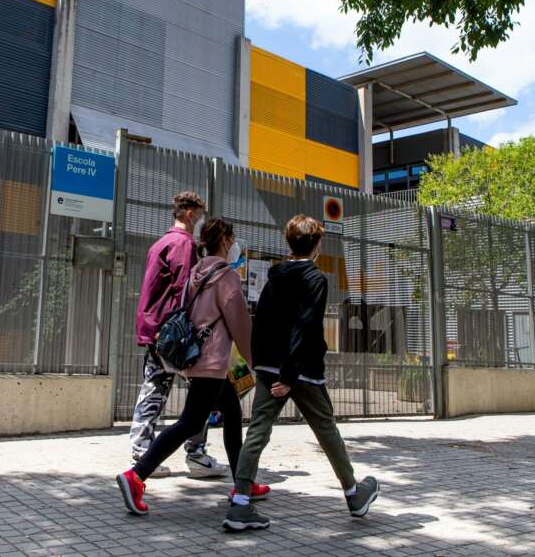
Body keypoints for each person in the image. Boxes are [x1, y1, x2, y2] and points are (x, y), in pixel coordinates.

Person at [222, 214, 380, 532]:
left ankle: (240, 504)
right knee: (326, 429)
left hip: (269, 366)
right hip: (301, 370)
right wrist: (289, 376)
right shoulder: (315, 278)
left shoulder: (275, 275)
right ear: (317, 245)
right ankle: (353, 494)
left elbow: (261, 318)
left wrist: (263, 364)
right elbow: (305, 326)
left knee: (257, 431)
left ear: (288, 242)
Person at [117, 217, 269, 515]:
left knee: (233, 412)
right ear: (225, 240)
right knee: (189, 422)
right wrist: (258, 363)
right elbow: (240, 324)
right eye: (233, 237)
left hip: (198, 359)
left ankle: (244, 482)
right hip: (213, 363)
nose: (235, 242)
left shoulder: (197, 272)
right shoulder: (226, 276)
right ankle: (136, 475)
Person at [129, 191, 228, 478]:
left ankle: (141, 451)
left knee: (153, 389)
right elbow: (185, 291)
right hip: (178, 333)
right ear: (189, 214)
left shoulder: (159, 243)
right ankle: (196, 454)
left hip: (155, 328)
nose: (200, 220)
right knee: (202, 393)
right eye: (198, 214)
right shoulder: (184, 245)